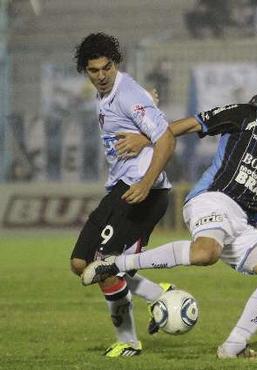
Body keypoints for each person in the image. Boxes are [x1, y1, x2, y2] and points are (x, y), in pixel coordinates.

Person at [81, 74, 257, 358]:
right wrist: (145, 137)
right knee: (205, 253)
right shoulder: (244, 115)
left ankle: (233, 347)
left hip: (241, 223)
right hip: (212, 199)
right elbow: (191, 123)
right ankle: (118, 263)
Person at [70, 33, 176, 357]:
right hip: (120, 187)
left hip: (144, 192)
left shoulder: (127, 93)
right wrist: (146, 125)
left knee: (103, 267)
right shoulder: (112, 93)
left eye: (106, 68)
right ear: (85, 70)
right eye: (93, 71)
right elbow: (149, 120)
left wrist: (145, 182)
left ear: (115, 64)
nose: (101, 76)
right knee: (80, 263)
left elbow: (168, 138)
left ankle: (129, 342)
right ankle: (160, 293)